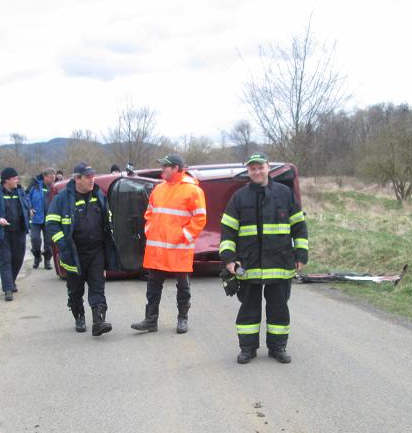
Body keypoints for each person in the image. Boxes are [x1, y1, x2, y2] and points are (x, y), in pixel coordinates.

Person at [219, 152, 308, 364]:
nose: (257, 171)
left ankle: (278, 348)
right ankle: (247, 349)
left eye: (260, 167)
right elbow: (228, 231)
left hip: (280, 264)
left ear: (268, 167)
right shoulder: (239, 197)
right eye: (252, 168)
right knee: (249, 309)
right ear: (248, 171)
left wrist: (301, 254)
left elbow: (299, 227)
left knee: (278, 308)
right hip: (248, 266)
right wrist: (230, 260)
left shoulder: (285, 194)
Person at [131, 153, 206, 334]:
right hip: (158, 248)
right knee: (153, 285)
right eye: (162, 166)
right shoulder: (159, 189)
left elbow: (200, 218)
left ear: (177, 168)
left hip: (179, 248)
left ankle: (182, 319)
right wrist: (150, 230)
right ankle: (150, 320)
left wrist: (183, 236)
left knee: (183, 286)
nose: (162, 169)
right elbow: (149, 213)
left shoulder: (193, 190)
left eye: (166, 166)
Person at [46, 162, 117, 336]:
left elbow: (108, 218)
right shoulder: (62, 199)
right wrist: (63, 245)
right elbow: (52, 224)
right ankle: (79, 316)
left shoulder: (99, 194)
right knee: (75, 290)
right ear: (77, 179)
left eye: (93, 176)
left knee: (97, 286)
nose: (92, 180)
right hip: (73, 253)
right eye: (88, 177)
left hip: (96, 251)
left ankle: (99, 321)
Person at [0, 167, 30, 301]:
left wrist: (29, 210)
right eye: (15, 178)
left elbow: (26, 204)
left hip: (19, 232)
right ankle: (8, 289)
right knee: (5, 260)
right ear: (7, 180)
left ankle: (11, 281)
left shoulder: (20, 191)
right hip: (3, 233)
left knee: (17, 259)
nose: (17, 180)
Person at [27, 168, 56, 269]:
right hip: (35, 218)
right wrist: (29, 208)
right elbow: (26, 197)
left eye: (54, 177)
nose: (53, 179)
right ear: (45, 177)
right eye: (51, 177)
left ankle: (47, 261)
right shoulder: (34, 185)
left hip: (49, 218)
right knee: (35, 239)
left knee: (48, 242)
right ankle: (37, 256)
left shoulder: (55, 186)